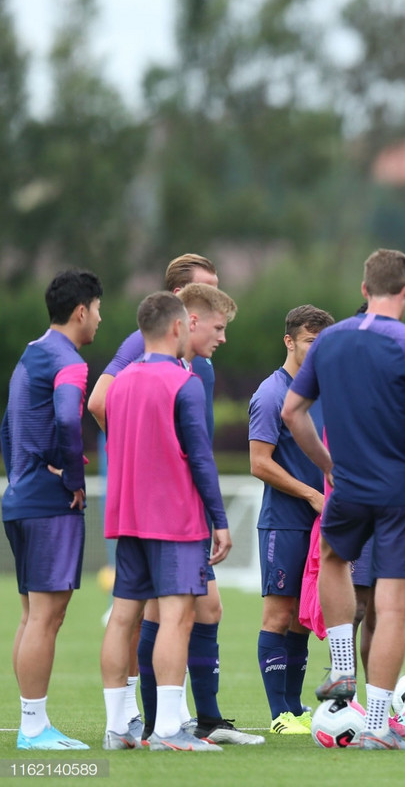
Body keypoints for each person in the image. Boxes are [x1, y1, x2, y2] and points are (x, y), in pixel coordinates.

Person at [282, 248, 405, 750]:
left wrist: (328, 466)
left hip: (348, 485)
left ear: (364, 289)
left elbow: (293, 412)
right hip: (402, 490)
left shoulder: (329, 342)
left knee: (332, 556)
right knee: (391, 608)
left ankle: (342, 668)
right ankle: (377, 729)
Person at [85, 253, 219, 740]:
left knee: (148, 613)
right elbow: (98, 402)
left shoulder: (191, 360)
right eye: (205, 294)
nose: (213, 313)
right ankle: (169, 724)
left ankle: (131, 724)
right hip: (167, 510)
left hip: (135, 509)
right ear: (181, 306)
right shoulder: (148, 352)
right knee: (174, 614)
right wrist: (146, 463)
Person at [2, 269, 102, 751]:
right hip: (48, 504)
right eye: (98, 310)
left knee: (31, 615)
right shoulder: (69, 360)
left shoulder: (31, 352)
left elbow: (7, 427)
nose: (100, 320)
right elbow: (67, 417)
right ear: (81, 310)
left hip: (20, 498)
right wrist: (73, 477)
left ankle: (31, 723)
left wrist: (23, 473)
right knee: (46, 616)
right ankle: (34, 729)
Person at [168, 283, 261, 745]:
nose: (223, 337)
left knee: (204, 609)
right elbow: (196, 452)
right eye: (219, 326)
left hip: (174, 511)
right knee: (162, 616)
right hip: (171, 514)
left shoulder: (192, 368)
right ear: (188, 313)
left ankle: (201, 719)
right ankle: (156, 724)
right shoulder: (165, 369)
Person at [248, 305, 335, 734]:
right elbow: (259, 463)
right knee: (278, 616)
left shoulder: (325, 392)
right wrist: (311, 494)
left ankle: (296, 707)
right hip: (284, 522)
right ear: (290, 341)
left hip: (323, 522)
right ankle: (278, 714)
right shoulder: (270, 394)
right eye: (310, 342)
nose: (317, 351)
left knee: (303, 616)